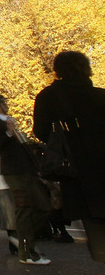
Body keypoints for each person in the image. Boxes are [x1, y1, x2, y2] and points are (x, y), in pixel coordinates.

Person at [33, 51, 105, 263]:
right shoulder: (100, 96)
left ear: (58, 70)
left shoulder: (48, 97)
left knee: (94, 221)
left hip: (75, 167)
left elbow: (41, 132)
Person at [0, 93, 51, 265]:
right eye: (3, 102)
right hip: (14, 172)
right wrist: (8, 132)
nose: (6, 104)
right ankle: (26, 251)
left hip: (26, 170)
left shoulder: (10, 121)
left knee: (42, 206)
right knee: (24, 209)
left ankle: (23, 242)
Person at [0, 138, 19, 254]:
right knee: (12, 217)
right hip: (5, 184)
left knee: (10, 218)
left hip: (2, 185)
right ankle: (16, 244)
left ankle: (14, 244)